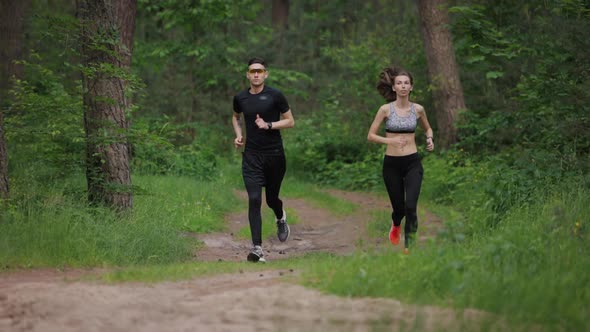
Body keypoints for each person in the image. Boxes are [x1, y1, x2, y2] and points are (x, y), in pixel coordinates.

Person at [232, 57, 295, 262]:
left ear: (265, 74)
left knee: (271, 200)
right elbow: (235, 116)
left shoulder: (275, 95)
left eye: (260, 71)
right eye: (252, 71)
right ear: (248, 75)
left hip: (274, 155)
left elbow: (290, 122)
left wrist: (268, 125)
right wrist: (239, 134)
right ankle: (257, 248)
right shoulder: (240, 98)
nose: (256, 74)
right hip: (251, 156)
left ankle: (280, 217)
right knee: (254, 199)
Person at [367, 66, 434, 253]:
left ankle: (409, 248)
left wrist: (429, 138)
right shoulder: (385, 109)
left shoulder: (418, 109)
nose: (403, 86)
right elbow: (371, 135)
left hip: (413, 163)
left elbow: (428, 128)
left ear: (411, 87)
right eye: (399, 83)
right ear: (394, 88)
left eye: (406, 83)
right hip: (392, 165)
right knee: (400, 208)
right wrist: (391, 140)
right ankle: (396, 223)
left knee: (411, 206)